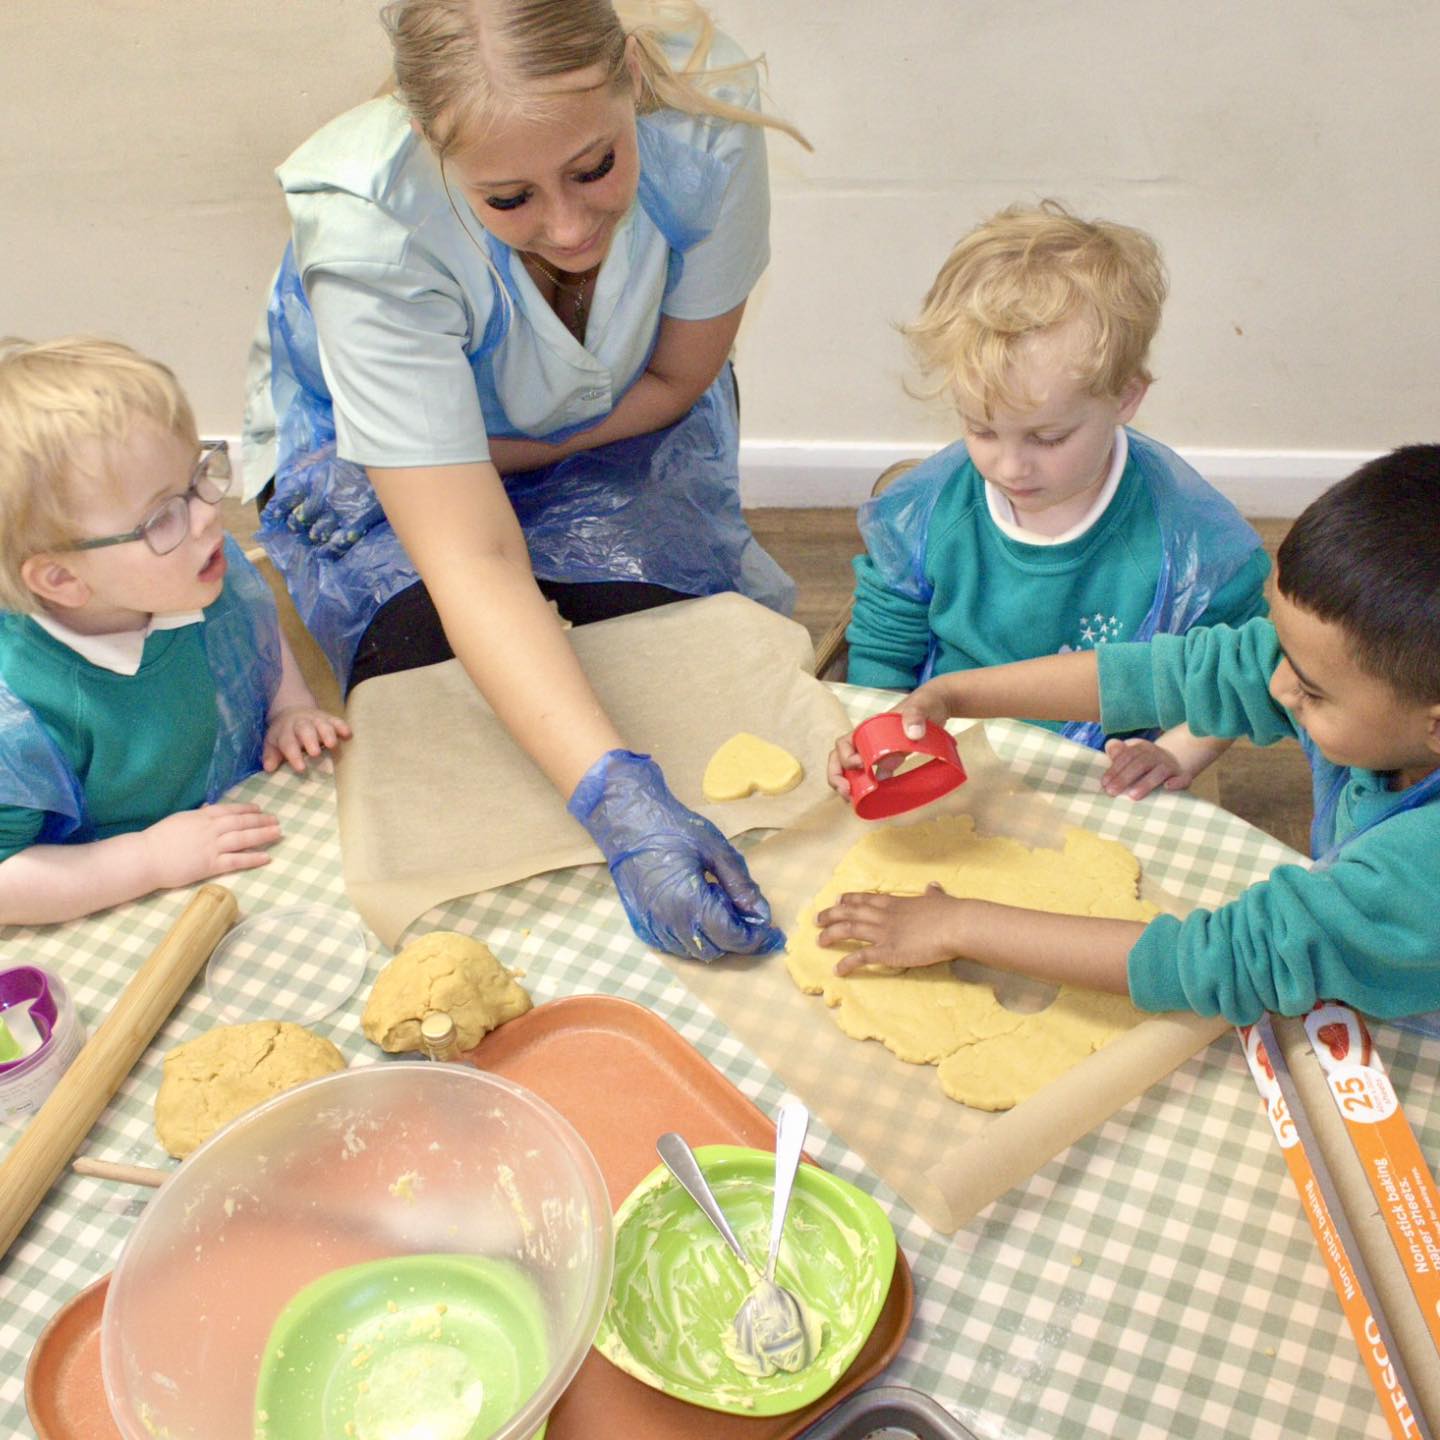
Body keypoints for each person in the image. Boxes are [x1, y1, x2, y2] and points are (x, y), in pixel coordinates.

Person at [240, 0, 804, 961]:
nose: (572, 226)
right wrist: (615, 799)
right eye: (510, 199)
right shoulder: (372, 224)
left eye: (597, 168)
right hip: (371, 462)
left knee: (665, 644)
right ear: (432, 145)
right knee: (430, 685)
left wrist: (473, 459)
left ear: (629, 75)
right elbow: (471, 557)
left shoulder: (709, 126)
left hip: (626, 417)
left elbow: (672, 382)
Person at [821, 446, 1440, 1027]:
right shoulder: (1353, 681)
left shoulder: (1421, 871)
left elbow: (1215, 958)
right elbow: (1157, 674)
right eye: (1279, 650)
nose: (1277, 685)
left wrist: (957, 924)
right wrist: (955, 696)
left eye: (1312, 692)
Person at [844, 202, 1271, 800]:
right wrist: (879, 735)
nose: (1008, 467)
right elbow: (884, 651)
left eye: (1047, 438)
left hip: (1104, 777)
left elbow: (1234, 672)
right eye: (982, 430)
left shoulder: (1193, 546)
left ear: (1125, 397)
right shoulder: (931, 513)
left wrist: (1175, 753)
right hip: (947, 757)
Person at [0, 338, 349, 926]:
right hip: (114, 898)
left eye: (197, 478)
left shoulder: (193, 568)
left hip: (232, 824)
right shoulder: (19, 717)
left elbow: (253, 623)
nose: (210, 514)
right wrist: (148, 860)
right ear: (62, 577)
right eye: (164, 514)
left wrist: (291, 704)